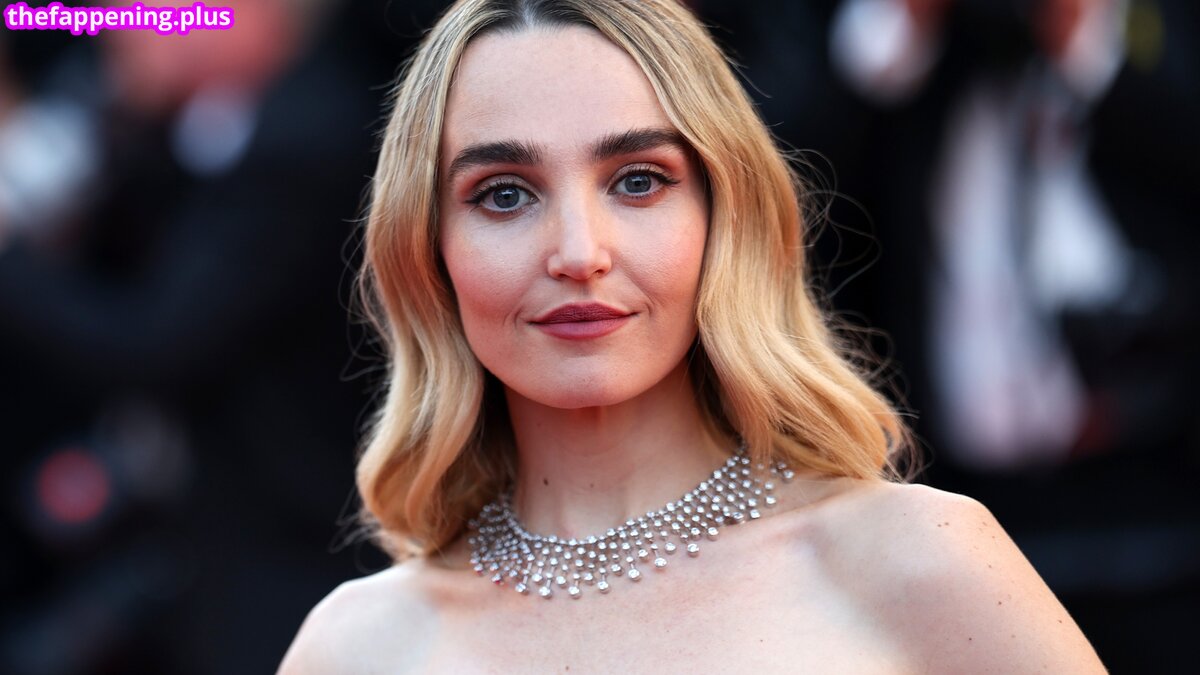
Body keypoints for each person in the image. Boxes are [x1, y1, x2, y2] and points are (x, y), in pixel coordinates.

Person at [279, 0, 1105, 671]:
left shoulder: (917, 561)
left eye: (638, 181)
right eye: (503, 194)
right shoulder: (358, 645)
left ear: (724, 218)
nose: (579, 252)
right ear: (428, 249)